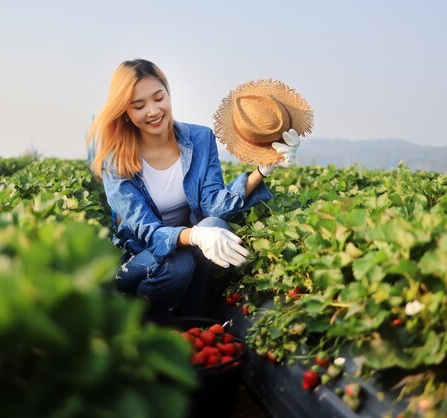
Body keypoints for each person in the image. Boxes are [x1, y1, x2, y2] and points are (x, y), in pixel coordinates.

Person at [86, 59, 313, 320]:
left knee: (215, 224)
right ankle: (147, 324)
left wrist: (263, 169)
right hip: (142, 258)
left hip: (190, 248)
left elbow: (212, 204)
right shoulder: (116, 162)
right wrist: (195, 236)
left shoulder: (200, 139)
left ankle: (196, 320)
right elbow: (148, 232)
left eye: (159, 98)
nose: (153, 110)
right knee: (178, 265)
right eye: (139, 106)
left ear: (168, 93)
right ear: (125, 111)